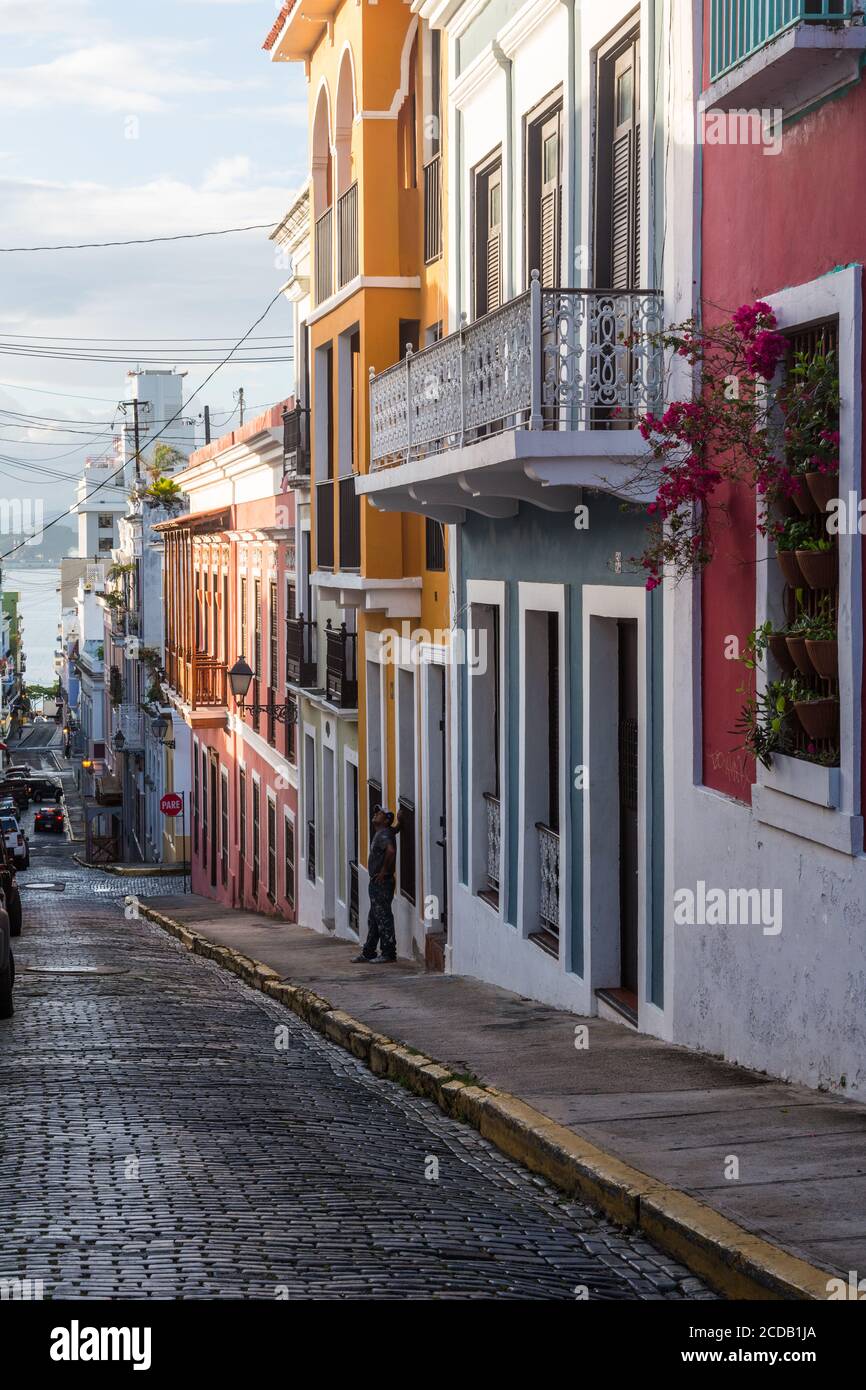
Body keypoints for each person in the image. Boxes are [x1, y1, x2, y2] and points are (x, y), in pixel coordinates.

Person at [352, 805, 397, 963]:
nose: (376, 814)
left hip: (381, 882)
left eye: (380, 813)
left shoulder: (383, 834)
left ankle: (388, 952)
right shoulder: (385, 832)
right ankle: (369, 951)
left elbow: (390, 851)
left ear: (385, 820)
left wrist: (384, 871)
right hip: (379, 881)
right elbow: (395, 830)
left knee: (383, 916)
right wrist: (401, 823)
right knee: (374, 917)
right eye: (377, 812)